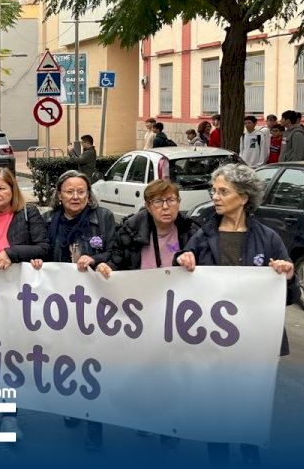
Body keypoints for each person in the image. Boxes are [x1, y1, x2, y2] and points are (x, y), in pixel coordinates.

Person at [174, 164, 296, 465]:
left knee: (249, 402)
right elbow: (182, 282)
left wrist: (287, 275)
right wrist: (183, 259)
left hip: (254, 340)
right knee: (215, 405)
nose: (215, 197)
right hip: (212, 337)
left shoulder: (268, 238)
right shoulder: (202, 235)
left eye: (223, 191)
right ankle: (219, 458)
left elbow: (287, 296)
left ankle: (250, 454)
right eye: (213, 190)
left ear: (243, 197)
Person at [96, 179, 199, 450]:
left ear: (179, 202)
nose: (166, 207)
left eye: (171, 200)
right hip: (140, 312)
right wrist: (106, 267)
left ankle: (169, 423)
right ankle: (146, 416)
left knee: (171, 371)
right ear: (148, 206)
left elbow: (207, 267)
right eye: (158, 202)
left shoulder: (191, 230)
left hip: (176, 313)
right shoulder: (131, 229)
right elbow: (116, 260)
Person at [47, 169, 116, 451]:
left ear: (89, 194)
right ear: (59, 195)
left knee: (92, 364)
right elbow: (41, 251)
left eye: (81, 191)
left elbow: (116, 252)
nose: (75, 197)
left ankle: (94, 425)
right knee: (67, 360)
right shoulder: (49, 220)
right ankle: (73, 407)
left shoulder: (104, 218)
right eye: (69, 191)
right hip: (60, 304)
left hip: (95, 304)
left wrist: (97, 259)